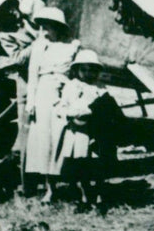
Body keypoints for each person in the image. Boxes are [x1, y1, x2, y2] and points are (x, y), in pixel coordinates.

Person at [50, 49, 116, 211]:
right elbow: (61, 107)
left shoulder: (100, 88)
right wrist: (70, 114)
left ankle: (99, 197)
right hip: (78, 131)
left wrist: (96, 112)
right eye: (84, 69)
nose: (88, 73)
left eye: (92, 70)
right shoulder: (71, 86)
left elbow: (108, 108)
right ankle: (84, 197)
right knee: (81, 165)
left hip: (96, 132)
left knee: (98, 165)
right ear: (77, 70)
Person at [25, 7, 80, 202]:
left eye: (48, 27)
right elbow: (33, 76)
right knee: (45, 141)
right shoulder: (39, 47)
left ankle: (72, 183)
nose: (44, 31)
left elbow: (77, 73)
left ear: (58, 27)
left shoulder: (72, 46)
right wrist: (31, 101)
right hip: (43, 94)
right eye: (42, 27)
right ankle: (51, 187)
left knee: (65, 137)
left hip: (64, 93)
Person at [0, 0, 38, 192]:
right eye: (5, 11)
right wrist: (39, 44)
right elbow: (18, 59)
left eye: (12, 6)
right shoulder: (6, 36)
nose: (12, 12)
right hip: (26, 86)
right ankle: (27, 183)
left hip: (44, 84)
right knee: (26, 134)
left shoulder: (33, 24)